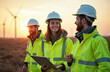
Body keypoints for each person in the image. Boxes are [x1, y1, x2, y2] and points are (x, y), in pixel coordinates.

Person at [65, 4, 110, 72]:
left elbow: (105, 68)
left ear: (83, 21)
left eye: (77, 19)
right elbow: (78, 64)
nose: (75, 22)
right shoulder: (78, 40)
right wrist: (70, 60)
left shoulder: (98, 41)